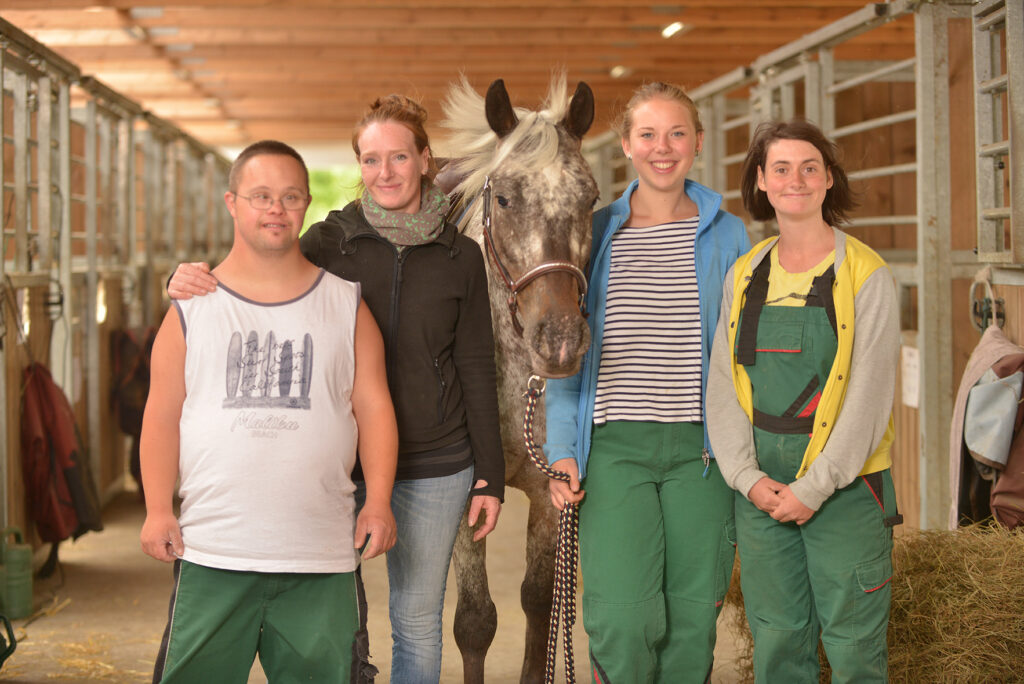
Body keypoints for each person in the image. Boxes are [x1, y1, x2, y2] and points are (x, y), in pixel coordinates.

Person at [167, 96, 504, 684]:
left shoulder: (461, 256)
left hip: (436, 460)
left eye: (400, 156)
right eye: (371, 160)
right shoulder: (329, 241)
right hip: (341, 462)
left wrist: (490, 473)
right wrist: (184, 278)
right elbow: (258, 271)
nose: (386, 172)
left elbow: (476, 362)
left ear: (426, 160)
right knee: (342, 618)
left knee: (417, 616)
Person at [140, 140, 398, 682]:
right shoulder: (191, 307)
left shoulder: (346, 303)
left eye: (289, 197)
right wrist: (158, 508)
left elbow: (374, 409)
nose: (275, 209)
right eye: (260, 196)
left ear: (307, 206)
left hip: (320, 556)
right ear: (232, 203)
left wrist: (377, 502)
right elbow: (161, 415)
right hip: (212, 552)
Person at [543, 82, 750, 683]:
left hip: (702, 452)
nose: (664, 148)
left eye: (677, 133)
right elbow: (564, 347)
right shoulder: (595, 232)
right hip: (614, 448)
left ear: (698, 143)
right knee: (622, 617)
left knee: (692, 617)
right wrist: (562, 450)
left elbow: (740, 350)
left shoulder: (729, 235)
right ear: (627, 146)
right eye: (648, 135)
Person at [706, 119, 902, 682]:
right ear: (761, 183)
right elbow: (722, 382)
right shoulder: (745, 274)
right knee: (778, 641)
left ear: (828, 181)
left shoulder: (867, 275)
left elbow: (867, 401)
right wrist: (746, 477)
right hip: (762, 489)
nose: (797, 179)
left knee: (854, 645)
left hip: (845, 490)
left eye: (810, 167)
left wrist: (814, 488)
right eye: (781, 169)